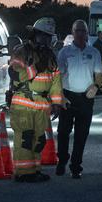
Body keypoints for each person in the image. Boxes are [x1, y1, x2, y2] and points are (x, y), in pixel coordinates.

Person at [7, 18, 64, 183]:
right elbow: (16, 75)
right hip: (24, 102)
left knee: (39, 139)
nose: (46, 40)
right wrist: (37, 67)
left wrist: (57, 103)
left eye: (49, 37)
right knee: (26, 138)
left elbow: (55, 81)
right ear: (35, 34)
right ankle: (24, 172)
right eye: (43, 36)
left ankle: (35, 169)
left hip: (41, 106)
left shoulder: (50, 56)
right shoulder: (21, 51)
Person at [55, 19, 102, 178]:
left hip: (86, 98)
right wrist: (60, 97)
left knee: (81, 134)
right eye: (77, 30)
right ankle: (62, 160)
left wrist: (96, 87)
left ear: (86, 33)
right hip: (68, 96)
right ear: (72, 33)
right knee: (63, 132)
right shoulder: (64, 52)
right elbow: (57, 77)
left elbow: (99, 75)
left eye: (83, 31)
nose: (80, 34)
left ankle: (76, 166)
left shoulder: (94, 52)